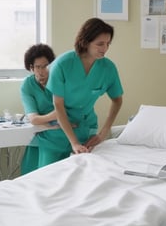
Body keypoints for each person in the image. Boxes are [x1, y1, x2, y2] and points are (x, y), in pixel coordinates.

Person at [41, 17, 123, 164]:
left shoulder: (108, 68)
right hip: (58, 130)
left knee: (83, 178)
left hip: (87, 130)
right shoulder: (63, 64)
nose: (105, 49)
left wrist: (104, 132)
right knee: (48, 179)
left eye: (107, 44)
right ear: (85, 42)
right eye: (100, 44)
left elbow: (117, 99)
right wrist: (74, 142)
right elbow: (58, 105)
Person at [19, 43, 57, 174]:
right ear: (31, 68)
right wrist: (57, 116)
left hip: (60, 134)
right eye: (37, 67)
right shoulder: (27, 85)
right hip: (40, 133)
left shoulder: (59, 80)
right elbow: (34, 119)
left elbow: (71, 111)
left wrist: (49, 120)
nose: (42, 71)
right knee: (30, 175)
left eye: (46, 66)